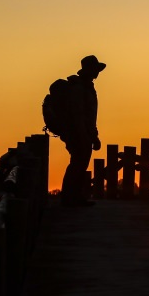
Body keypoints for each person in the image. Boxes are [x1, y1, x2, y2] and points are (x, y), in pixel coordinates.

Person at [59, 55, 105, 206]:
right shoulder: (79, 89)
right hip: (78, 133)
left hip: (82, 133)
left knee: (79, 165)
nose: (97, 73)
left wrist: (93, 135)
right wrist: (85, 135)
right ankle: (70, 198)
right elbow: (79, 115)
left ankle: (74, 197)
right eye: (95, 69)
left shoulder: (86, 87)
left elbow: (89, 116)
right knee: (77, 165)